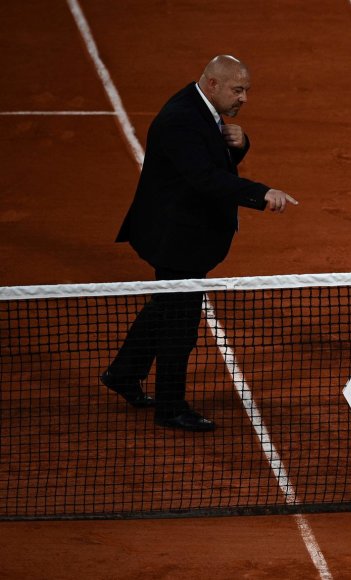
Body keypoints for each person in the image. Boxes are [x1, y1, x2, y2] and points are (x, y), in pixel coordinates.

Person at [100, 55, 298, 432]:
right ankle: (170, 408)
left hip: (184, 232)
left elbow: (214, 157)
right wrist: (261, 193)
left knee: (167, 304)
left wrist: (240, 145)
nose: (244, 98)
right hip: (175, 237)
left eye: (246, 90)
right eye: (238, 90)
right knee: (181, 325)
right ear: (213, 84)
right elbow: (205, 178)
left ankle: (124, 372)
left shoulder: (201, 108)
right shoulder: (181, 120)